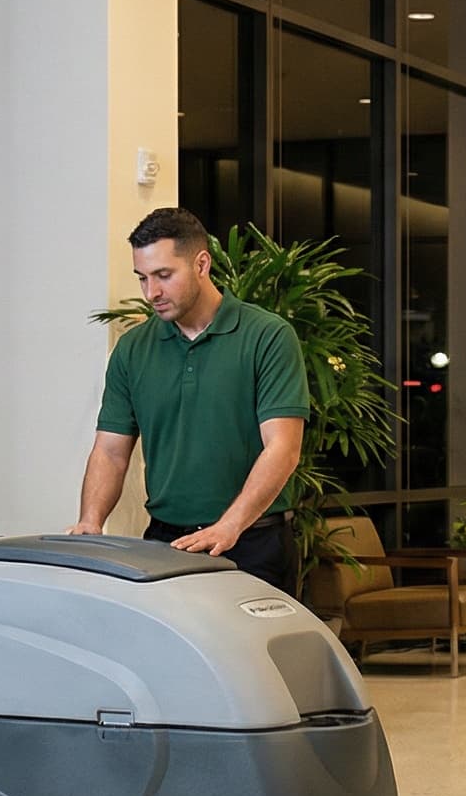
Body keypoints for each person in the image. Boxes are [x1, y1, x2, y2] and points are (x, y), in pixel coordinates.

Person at [72, 208, 310, 596]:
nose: (152, 293)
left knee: (247, 658)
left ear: (202, 263)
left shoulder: (267, 336)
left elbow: (283, 448)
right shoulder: (133, 349)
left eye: (164, 276)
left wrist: (230, 526)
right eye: (143, 278)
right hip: (164, 544)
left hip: (252, 543)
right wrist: (90, 521)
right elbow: (111, 452)